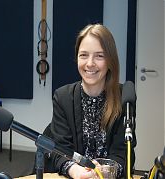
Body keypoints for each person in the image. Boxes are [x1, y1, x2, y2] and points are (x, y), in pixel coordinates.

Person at [48, 24, 136, 178]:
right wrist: (76, 172)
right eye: (83, 55)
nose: (90, 63)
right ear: (76, 58)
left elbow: (124, 154)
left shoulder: (124, 97)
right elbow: (60, 150)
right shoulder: (62, 97)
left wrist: (104, 172)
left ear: (110, 60)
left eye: (99, 56)